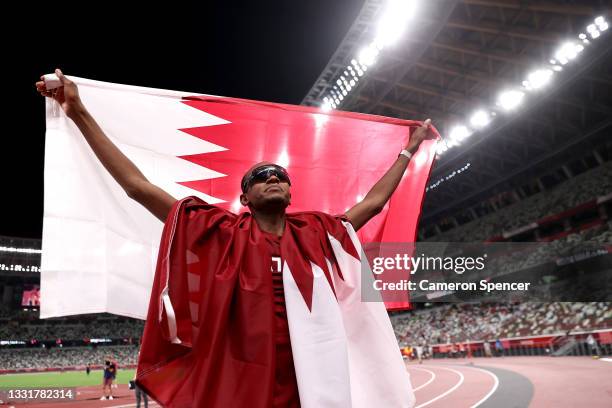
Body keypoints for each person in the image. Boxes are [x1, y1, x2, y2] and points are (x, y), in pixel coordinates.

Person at [37, 69, 434, 408]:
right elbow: (137, 186)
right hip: (240, 385)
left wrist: (409, 151)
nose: (273, 177)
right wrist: (79, 112)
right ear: (245, 199)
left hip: (312, 385)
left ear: (291, 194)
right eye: (260, 177)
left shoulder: (317, 232)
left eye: (279, 175)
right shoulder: (219, 231)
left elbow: (375, 203)